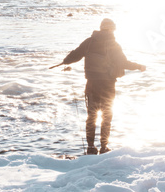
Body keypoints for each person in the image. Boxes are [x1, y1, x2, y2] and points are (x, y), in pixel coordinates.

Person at [60, 18, 146, 155]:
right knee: (107, 116)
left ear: (101, 28)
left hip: (92, 85)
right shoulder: (114, 45)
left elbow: (75, 55)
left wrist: (64, 61)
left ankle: (90, 147)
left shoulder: (89, 42)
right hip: (107, 85)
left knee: (91, 116)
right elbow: (123, 63)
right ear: (111, 29)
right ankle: (104, 147)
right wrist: (139, 66)